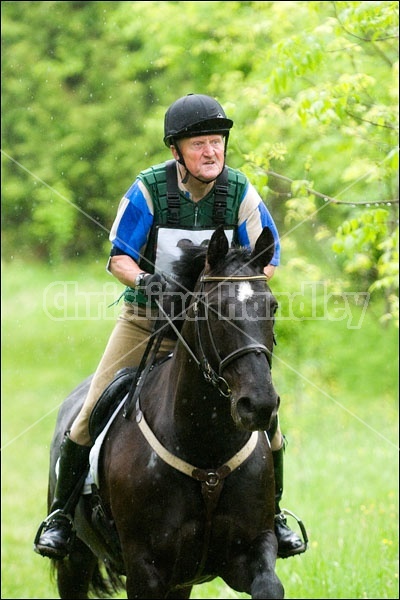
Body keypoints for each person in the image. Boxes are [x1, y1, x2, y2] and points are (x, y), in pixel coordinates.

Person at [34, 93, 307, 561]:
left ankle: (275, 516)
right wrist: (148, 281)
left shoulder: (240, 192)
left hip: (216, 327)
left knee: (269, 419)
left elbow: (268, 261)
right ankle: (60, 517)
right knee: (88, 414)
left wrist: (229, 301)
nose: (211, 152)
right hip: (147, 319)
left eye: (217, 142)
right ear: (176, 151)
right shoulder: (148, 190)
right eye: (199, 143)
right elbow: (118, 257)